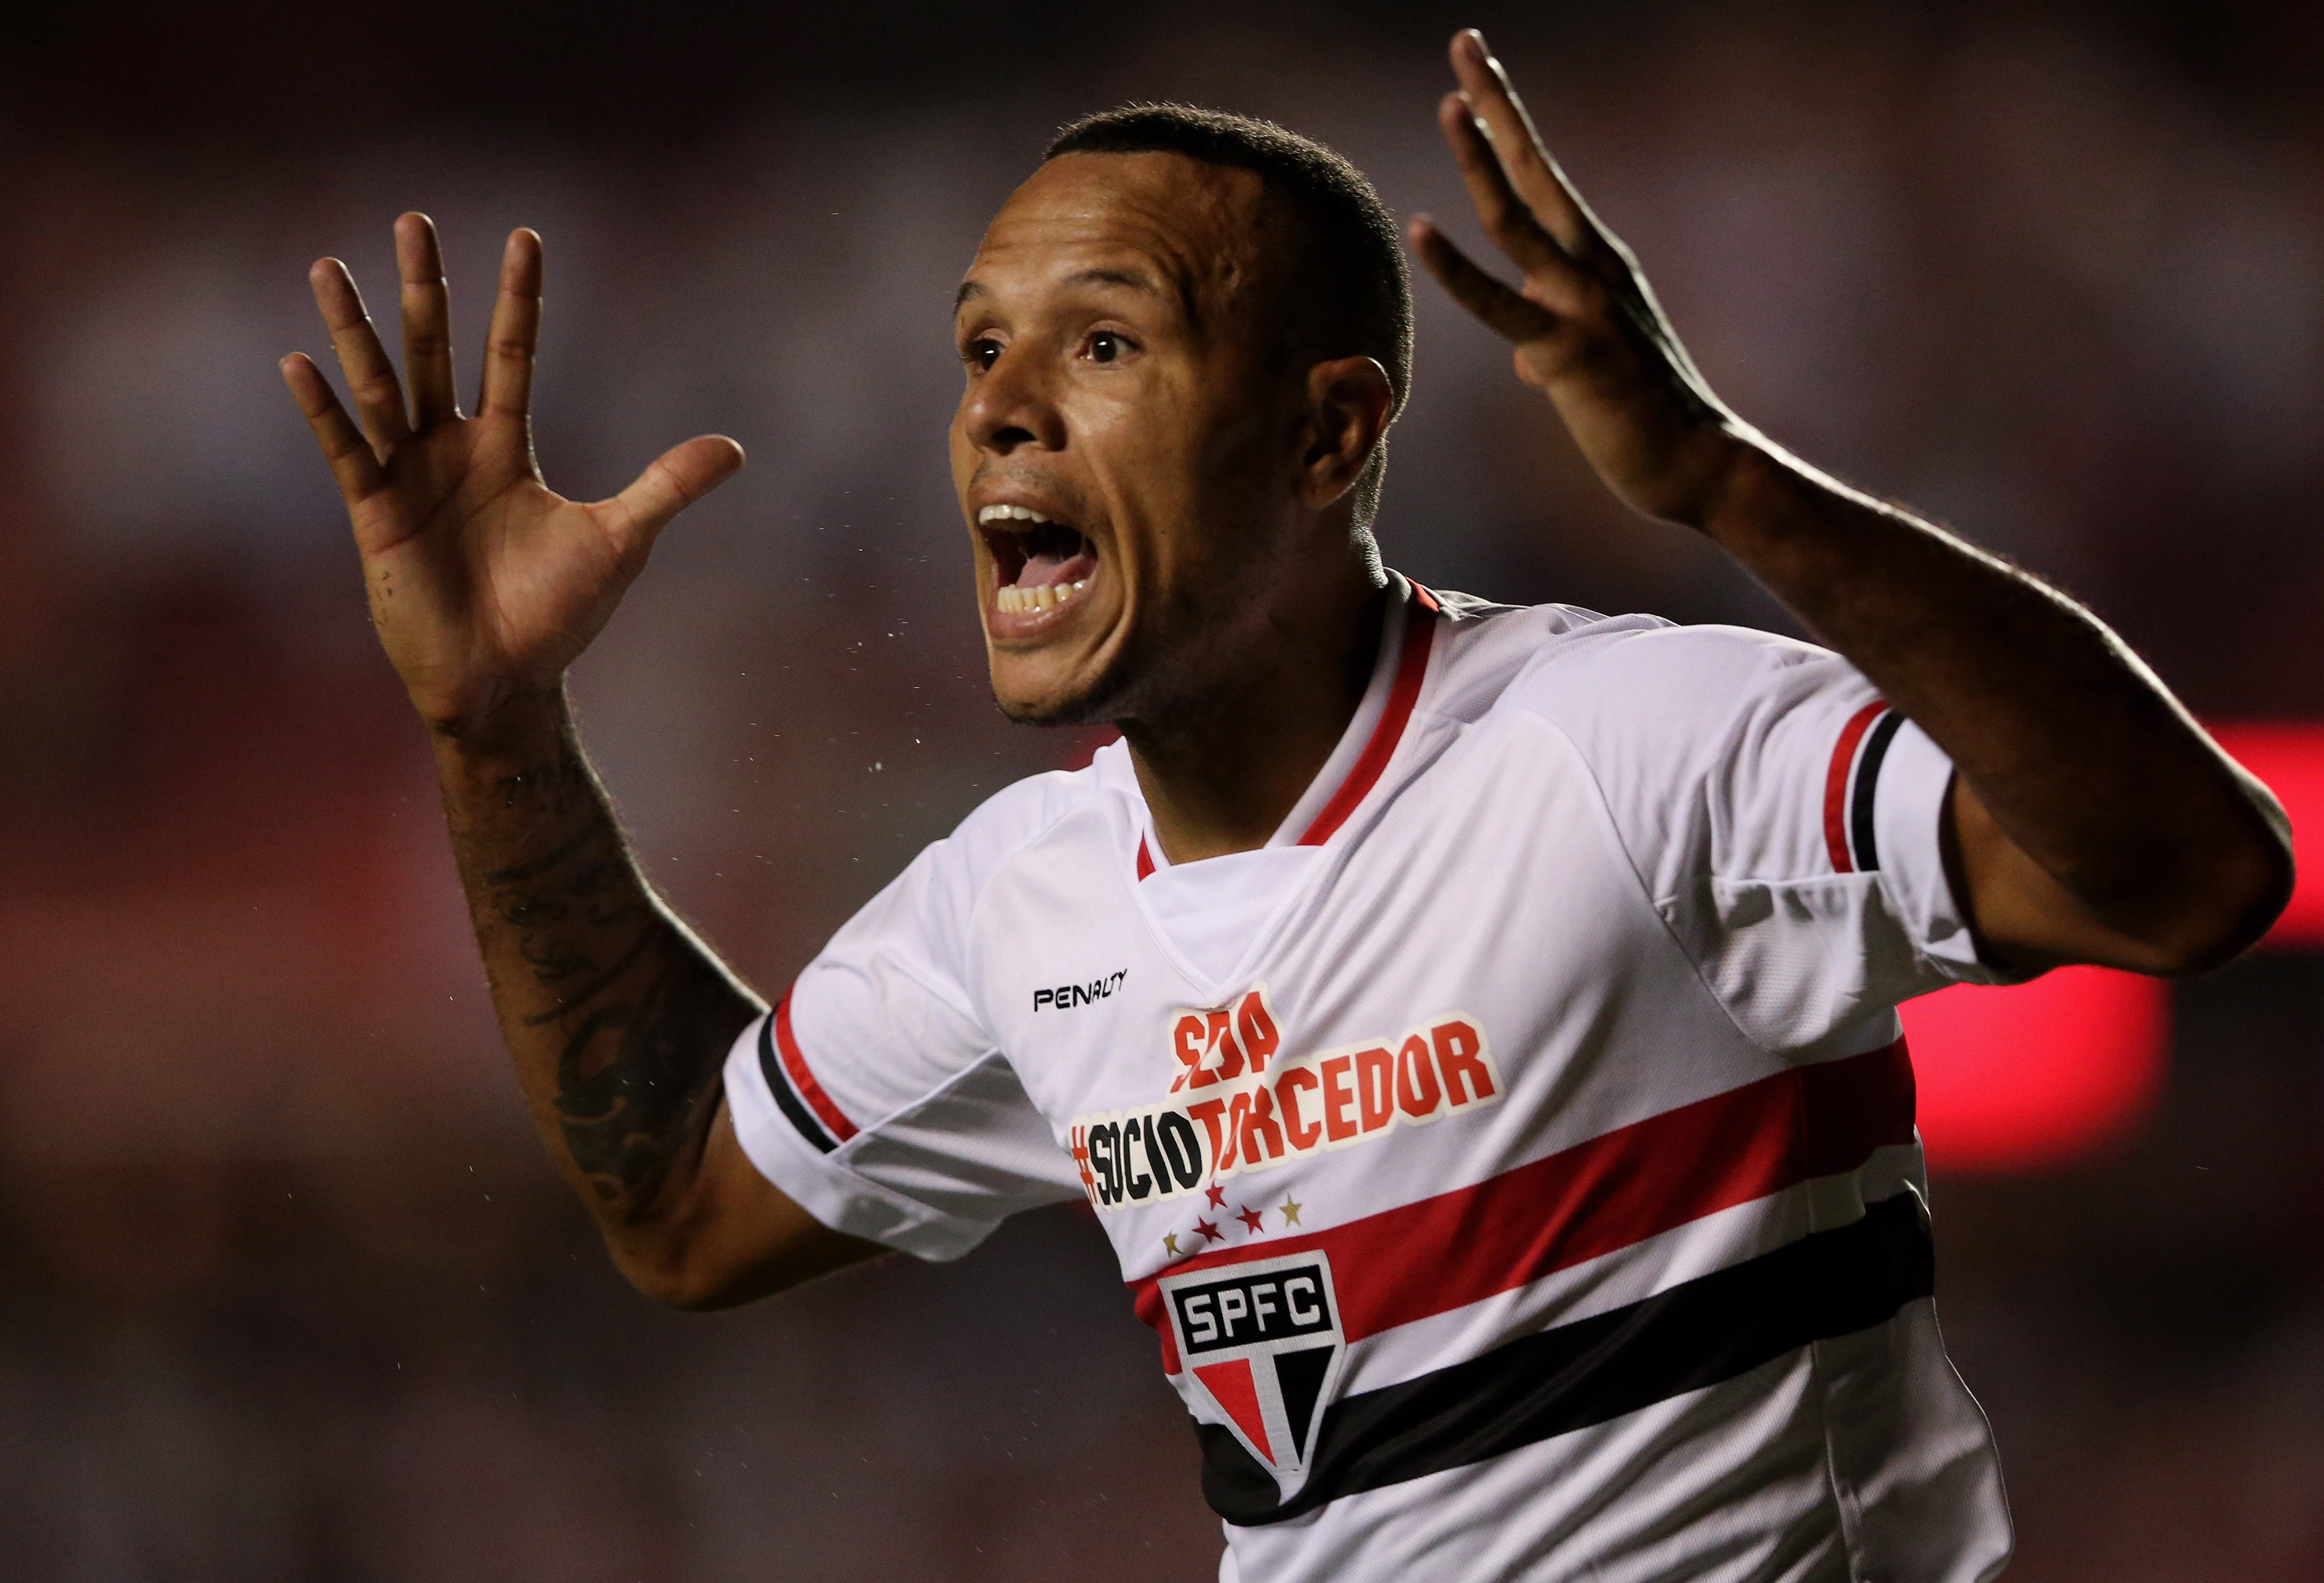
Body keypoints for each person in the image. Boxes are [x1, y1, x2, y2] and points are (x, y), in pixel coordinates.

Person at [280, 28, 2290, 1583]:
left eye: (1103, 340)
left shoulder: (1626, 747)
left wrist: (1725, 488)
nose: (998, 400)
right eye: (980, 345)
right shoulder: (1020, 905)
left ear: (1327, 430)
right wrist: (493, 716)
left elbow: (2194, 875)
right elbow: (684, 1214)